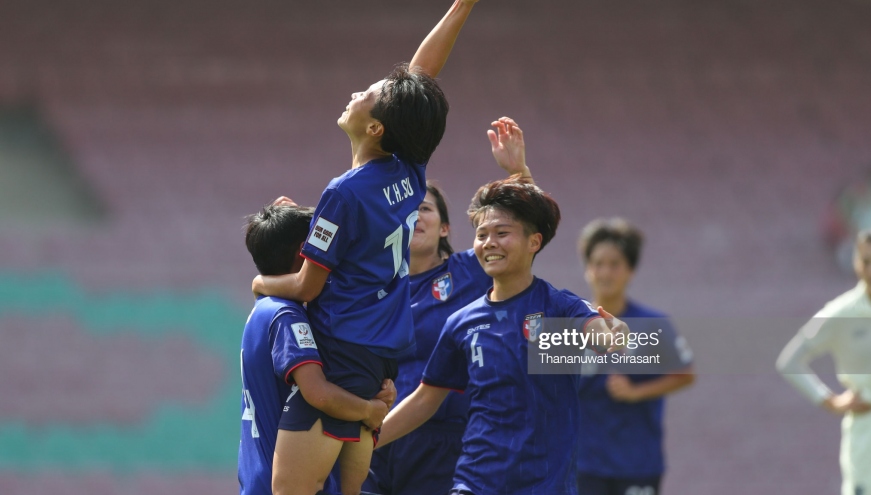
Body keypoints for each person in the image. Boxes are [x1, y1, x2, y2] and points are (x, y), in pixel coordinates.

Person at [251, 1, 481, 494]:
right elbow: (421, 75)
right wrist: (462, 7)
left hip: (341, 354)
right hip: (381, 358)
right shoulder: (410, 170)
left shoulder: (343, 193)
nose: (356, 93)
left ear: (376, 127)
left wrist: (260, 283)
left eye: (367, 95)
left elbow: (308, 287)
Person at [376, 176, 629, 495]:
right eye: (481, 235)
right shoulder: (461, 322)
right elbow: (425, 400)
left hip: (543, 486)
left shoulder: (557, 308)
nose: (489, 243)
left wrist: (615, 337)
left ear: (533, 242)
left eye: (502, 233)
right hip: (473, 483)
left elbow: (603, 336)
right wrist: (361, 444)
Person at [364, 116, 533, 495]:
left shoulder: (467, 271)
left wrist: (518, 171)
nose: (415, 216)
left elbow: (520, 232)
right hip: (373, 435)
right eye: (407, 210)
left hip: (443, 440)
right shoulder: (372, 285)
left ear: (445, 228)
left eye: (425, 209)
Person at [238, 203, 396, 495]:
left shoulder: (265, 307)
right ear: (305, 252)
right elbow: (319, 393)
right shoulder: (286, 315)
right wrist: (369, 409)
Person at [574, 218, 695, 495]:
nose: (605, 272)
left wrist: (636, 392)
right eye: (597, 263)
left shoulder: (653, 324)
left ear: (630, 270)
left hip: (637, 462)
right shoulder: (569, 324)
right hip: (582, 463)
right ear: (587, 270)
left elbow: (685, 374)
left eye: (614, 264)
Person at [777, 226, 871, 495]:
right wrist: (830, 400)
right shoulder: (840, 313)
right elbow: (790, 361)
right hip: (869, 438)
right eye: (866, 261)